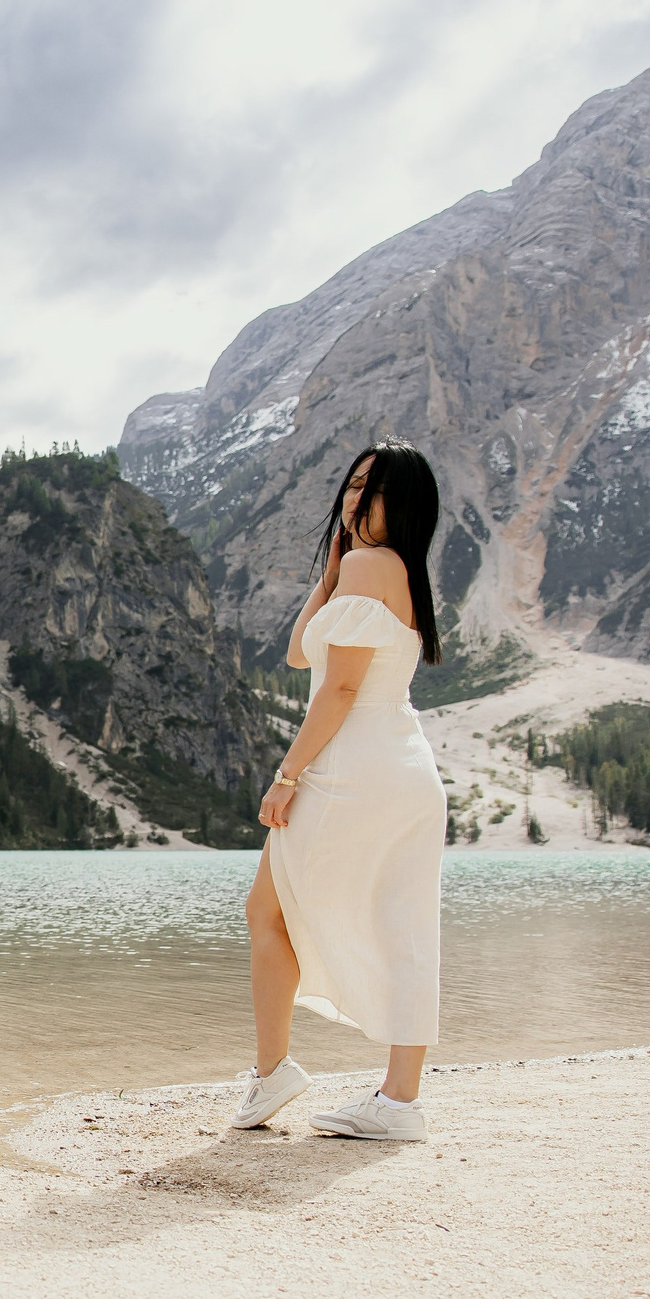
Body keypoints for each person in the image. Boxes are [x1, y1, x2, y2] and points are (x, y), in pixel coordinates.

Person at [233, 441, 447, 1140]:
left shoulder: (368, 566)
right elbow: (303, 651)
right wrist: (328, 576)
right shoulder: (390, 570)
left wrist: (286, 777)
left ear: (403, 503)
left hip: (352, 769)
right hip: (401, 767)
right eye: (354, 485)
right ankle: (398, 1101)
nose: (358, 499)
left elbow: (341, 689)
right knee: (402, 923)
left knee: (268, 910)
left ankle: (274, 1075)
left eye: (374, 490)